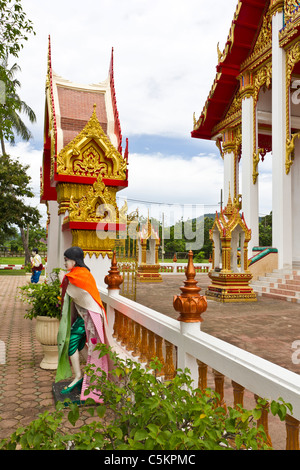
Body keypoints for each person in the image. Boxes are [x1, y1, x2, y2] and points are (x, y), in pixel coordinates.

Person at [55, 246, 108, 402]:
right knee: (80, 346)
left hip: (90, 317)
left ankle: (78, 376)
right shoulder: (80, 274)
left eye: (66, 260)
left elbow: (76, 293)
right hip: (86, 316)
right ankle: (85, 376)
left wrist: (62, 279)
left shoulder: (79, 276)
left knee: (71, 343)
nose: (65, 263)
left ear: (74, 260)